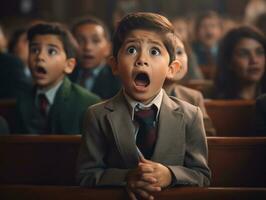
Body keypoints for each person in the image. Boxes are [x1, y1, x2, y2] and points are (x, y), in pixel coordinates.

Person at [77, 12, 210, 200]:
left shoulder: (191, 115)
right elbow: (86, 174)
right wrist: (126, 177)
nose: (141, 59)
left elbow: (202, 175)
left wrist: (170, 175)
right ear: (114, 65)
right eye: (131, 50)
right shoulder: (96, 115)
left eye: (154, 51)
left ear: (172, 69)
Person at [15, 23, 101, 134]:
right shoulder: (22, 100)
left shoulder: (88, 103)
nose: (40, 57)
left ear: (69, 65)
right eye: (34, 50)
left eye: (51, 51)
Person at [163, 34, 216, 136]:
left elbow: (208, 137)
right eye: (167, 52)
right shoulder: (140, 94)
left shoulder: (194, 97)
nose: (175, 59)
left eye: (179, 52)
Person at [70, 16, 121, 99]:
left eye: (95, 40)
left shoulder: (119, 81)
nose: (87, 47)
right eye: (80, 40)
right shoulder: (65, 77)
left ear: (108, 48)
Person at [213, 26, 266, 100]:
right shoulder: (214, 100)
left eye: (259, 52)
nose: (254, 60)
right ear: (228, 61)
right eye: (243, 54)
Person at [192, 11, 223, 79]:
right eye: (203, 26)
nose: (208, 30)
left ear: (220, 31)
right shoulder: (191, 52)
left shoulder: (225, 51)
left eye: (213, 26)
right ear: (196, 31)